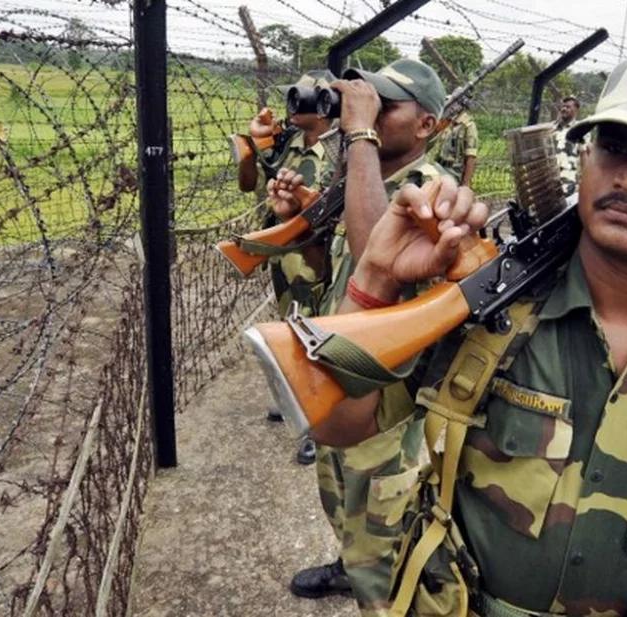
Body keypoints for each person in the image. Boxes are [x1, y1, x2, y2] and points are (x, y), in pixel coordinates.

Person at [311, 44, 627, 617]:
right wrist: (378, 281)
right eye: (614, 146)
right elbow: (339, 425)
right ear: (586, 159)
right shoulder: (486, 300)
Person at [265, 58, 451, 601]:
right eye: (363, 101)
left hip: (385, 412)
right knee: (340, 500)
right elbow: (334, 278)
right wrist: (298, 227)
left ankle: (372, 581)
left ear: (427, 126)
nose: (361, 110)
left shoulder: (429, 192)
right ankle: (349, 564)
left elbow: (379, 256)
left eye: (384, 106)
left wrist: (359, 135)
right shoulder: (365, 184)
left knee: (387, 546)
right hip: (342, 387)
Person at [239, 70, 335, 465]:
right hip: (284, 258)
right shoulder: (286, 143)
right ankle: (291, 398)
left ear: (325, 104)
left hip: (321, 259)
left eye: (303, 98)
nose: (293, 104)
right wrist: (250, 143)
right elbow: (248, 184)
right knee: (289, 329)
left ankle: (317, 424)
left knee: (318, 340)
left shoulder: (344, 151)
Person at [427, 98, 478, 186]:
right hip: (438, 165)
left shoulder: (468, 126)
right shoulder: (447, 122)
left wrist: (465, 184)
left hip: (453, 171)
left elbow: (471, 157)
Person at [554, 95, 582, 196]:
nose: (564, 109)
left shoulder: (580, 129)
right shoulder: (553, 128)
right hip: (551, 177)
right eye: (563, 106)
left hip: (568, 179)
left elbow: (583, 155)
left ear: (576, 110)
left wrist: (581, 181)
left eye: (568, 107)